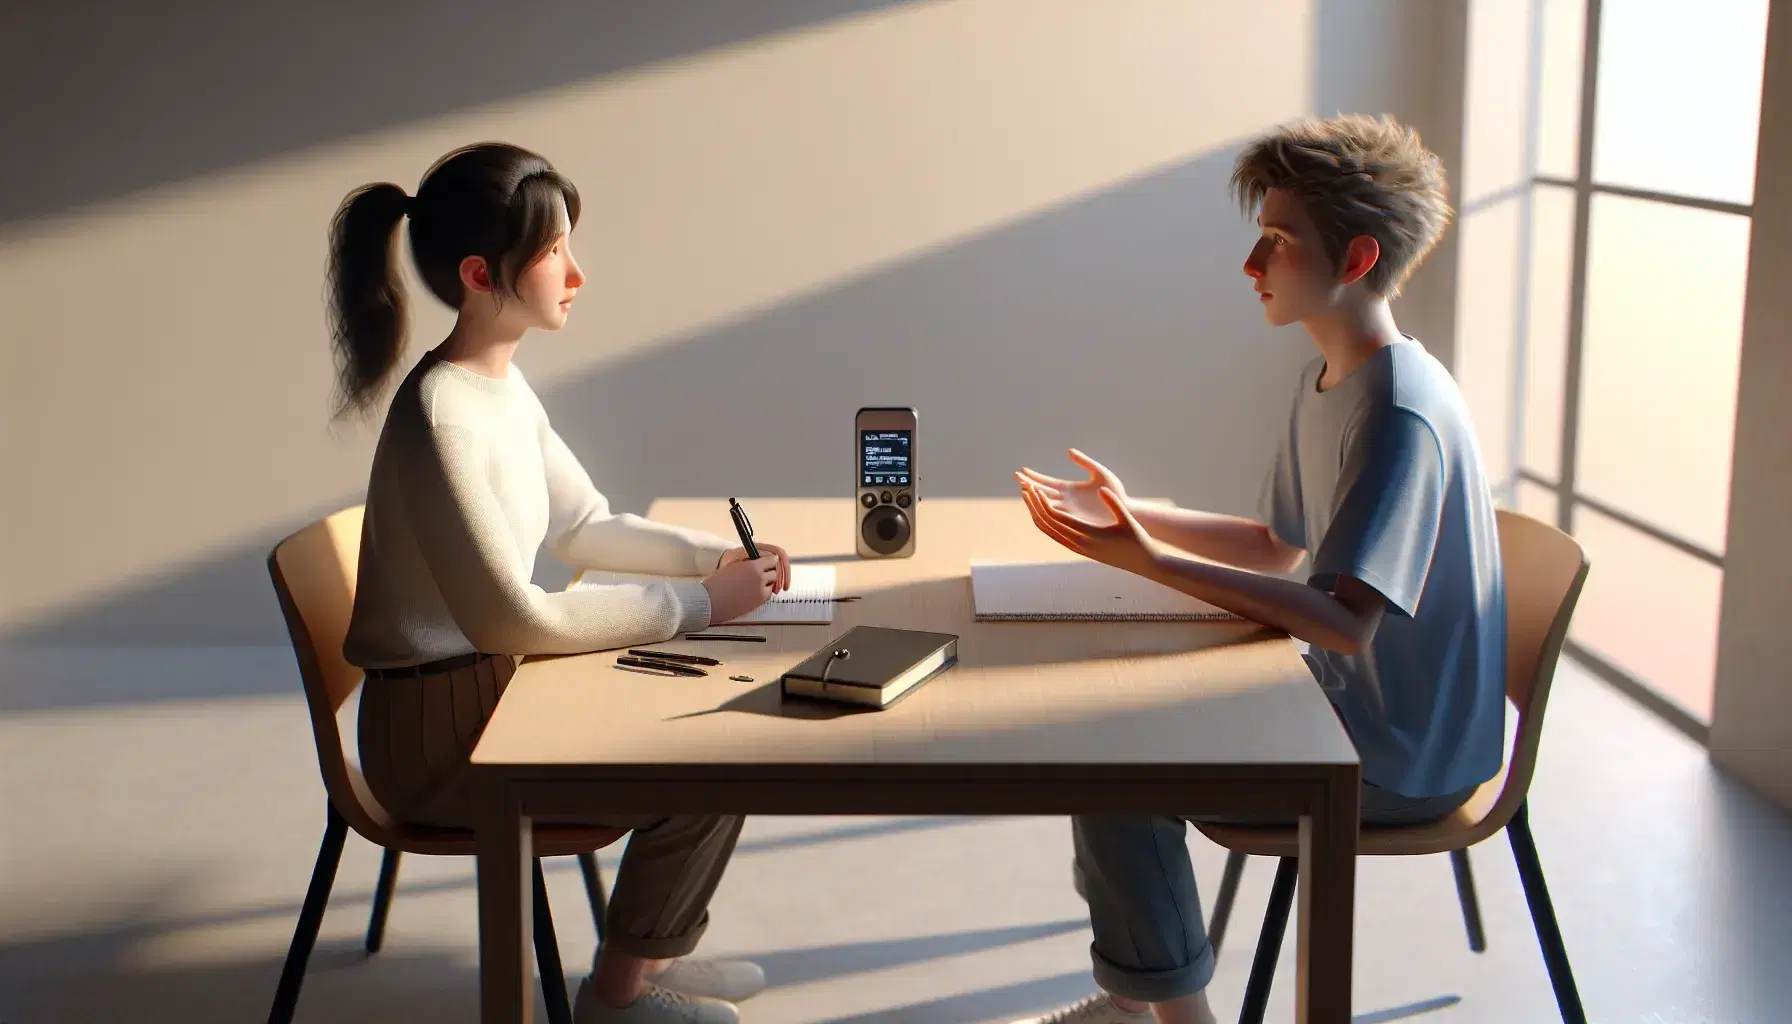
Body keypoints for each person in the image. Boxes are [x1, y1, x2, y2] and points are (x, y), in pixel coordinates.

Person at [1009, 113, 1507, 1024]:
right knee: (1114, 716)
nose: (1252, 265)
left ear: (1356, 260)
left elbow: (1342, 621)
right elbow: (1274, 545)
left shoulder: (1400, 412)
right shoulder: (1335, 375)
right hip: (1349, 704)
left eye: (1277, 242)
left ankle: (1158, 1015)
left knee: (1116, 760)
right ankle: (1142, 1001)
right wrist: (1131, 513)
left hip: (1398, 753)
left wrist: (1149, 559)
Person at [331, 142, 785, 1024]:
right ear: (478, 273)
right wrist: (696, 608)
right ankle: (617, 997)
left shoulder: (500, 386)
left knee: (716, 735)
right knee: (709, 766)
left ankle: (644, 963)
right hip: (439, 739)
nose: (576, 273)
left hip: (488, 690)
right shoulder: (441, 416)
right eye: (552, 252)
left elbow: (585, 525)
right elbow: (510, 618)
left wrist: (712, 560)